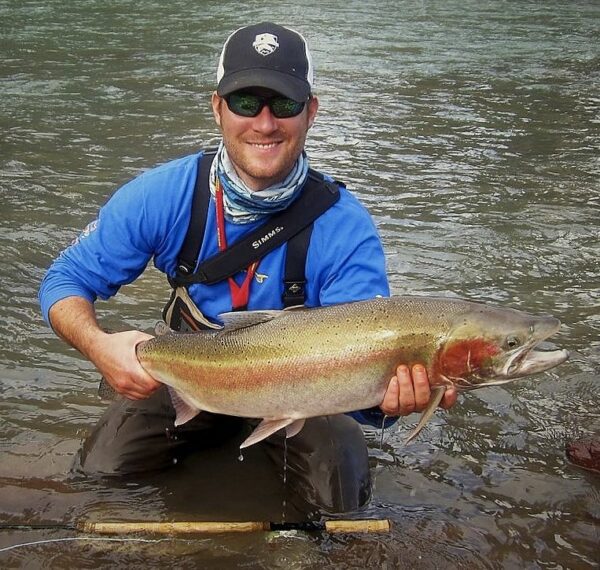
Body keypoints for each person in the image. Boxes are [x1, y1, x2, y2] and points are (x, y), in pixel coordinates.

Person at [39, 22, 456, 516]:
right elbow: (65, 281)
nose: (264, 124)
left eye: (283, 105)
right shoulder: (162, 195)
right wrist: (100, 345)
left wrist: (391, 402)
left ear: (311, 113)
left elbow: (362, 380)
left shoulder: (345, 226)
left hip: (302, 394)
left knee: (340, 497)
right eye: (245, 103)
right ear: (217, 107)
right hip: (187, 379)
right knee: (98, 479)